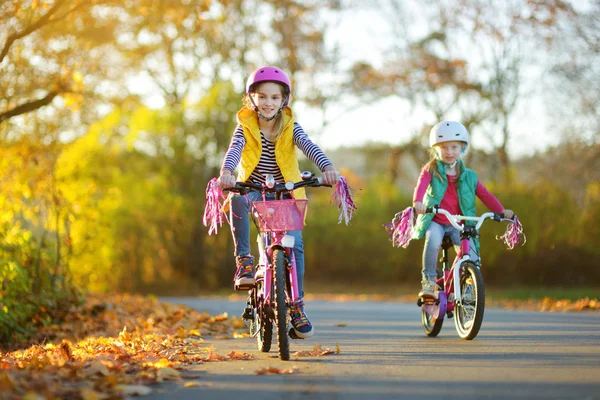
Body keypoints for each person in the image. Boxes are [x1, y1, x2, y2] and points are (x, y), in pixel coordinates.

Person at [217, 66, 340, 338]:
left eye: (275, 97)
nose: (268, 102)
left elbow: (309, 146)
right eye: (262, 97)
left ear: (284, 100)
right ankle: (245, 262)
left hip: (286, 192)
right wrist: (227, 173)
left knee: (294, 246)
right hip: (252, 187)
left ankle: (296, 306)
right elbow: (234, 151)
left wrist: (328, 167)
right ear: (252, 99)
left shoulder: (291, 126)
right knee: (236, 200)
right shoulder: (245, 127)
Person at [411, 121, 514, 298]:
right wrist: (418, 202)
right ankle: (429, 282)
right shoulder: (431, 170)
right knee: (433, 240)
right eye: (444, 147)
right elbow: (420, 187)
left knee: (471, 254)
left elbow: (485, 194)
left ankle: (465, 286)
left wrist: (502, 210)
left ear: (462, 148)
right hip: (437, 221)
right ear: (436, 149)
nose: (449, 152)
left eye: (454, 147)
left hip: (459, 224)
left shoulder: (469, 176)